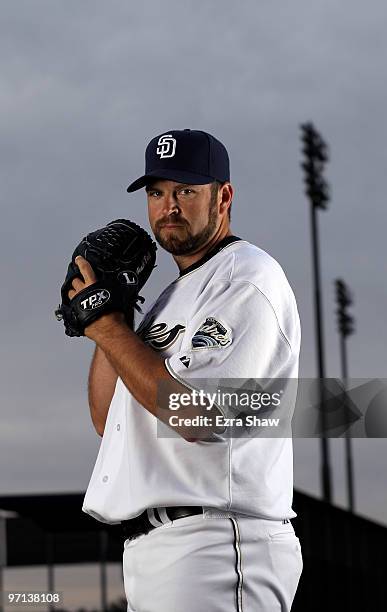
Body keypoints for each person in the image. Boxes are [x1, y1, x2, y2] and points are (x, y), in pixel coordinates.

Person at [72, 129, 303, 611]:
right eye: (157, 193)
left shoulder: (247, 279)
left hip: (217, 544)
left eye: (186, 191)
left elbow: (196, 417)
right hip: (159, 552)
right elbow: (105, 418)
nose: (168, 206)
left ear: (224, 197)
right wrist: (112, 315)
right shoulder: (168, 300)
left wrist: (112, 329)